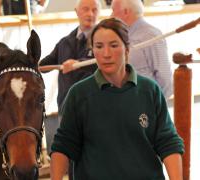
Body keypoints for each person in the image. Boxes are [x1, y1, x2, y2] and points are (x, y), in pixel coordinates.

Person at [50, 18, 184, 180]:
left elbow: (168, 142)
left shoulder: (150, 90)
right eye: (99, 47)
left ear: (127, 49)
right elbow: (63, 145)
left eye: (114, 45)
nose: (106, 54)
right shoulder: (79, 94)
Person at [39, 0, 101, 111]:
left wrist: (78, 64)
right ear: (76, 11)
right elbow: (43, 66)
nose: (90, 14)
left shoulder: (104, 42)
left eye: (94, 10)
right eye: (86, 9)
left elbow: (101, 63)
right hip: (66, 108)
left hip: (94, 107)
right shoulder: (64, 42)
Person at [111, 0, 173, 99]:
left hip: (146, 106)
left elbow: (165, 78)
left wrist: (155, 107)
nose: (111, 16)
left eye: (113, 11)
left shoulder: (150, 35)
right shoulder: (123, 36)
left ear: (126, 12)